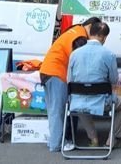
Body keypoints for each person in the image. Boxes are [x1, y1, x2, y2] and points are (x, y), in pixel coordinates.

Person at [40, 16, 102, 152]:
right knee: (58, 110)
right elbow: (81, 61)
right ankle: (57, 144)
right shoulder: (80, 37)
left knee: (54, 109)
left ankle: (55, 140)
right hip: (57, 73)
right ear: (90, 27)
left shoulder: (74, 30)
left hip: (48, 70)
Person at [68, 22, 121, 149]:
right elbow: (114, 80)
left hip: (78, 102)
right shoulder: (109, 54)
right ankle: (111, 140)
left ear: (90, 34)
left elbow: (70, 80)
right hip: (102, 102)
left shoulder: (74, 54)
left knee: (80, 102)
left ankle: (93, 138)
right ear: (104, 37)